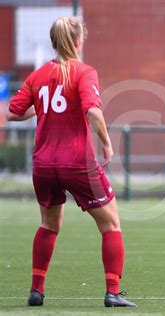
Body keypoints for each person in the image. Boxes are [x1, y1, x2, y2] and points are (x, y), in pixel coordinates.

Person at [6, 17, 136, 307]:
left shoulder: (38, 75)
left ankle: (36, 290)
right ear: (78, 41)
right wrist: (106, 142)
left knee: (49, 224)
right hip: (76, 163)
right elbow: (93, 111)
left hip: (43, 164)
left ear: (53, 42)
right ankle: (113, 292)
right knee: (111, 224)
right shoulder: (84, 72)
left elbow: (13, 113)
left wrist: (40, 109)